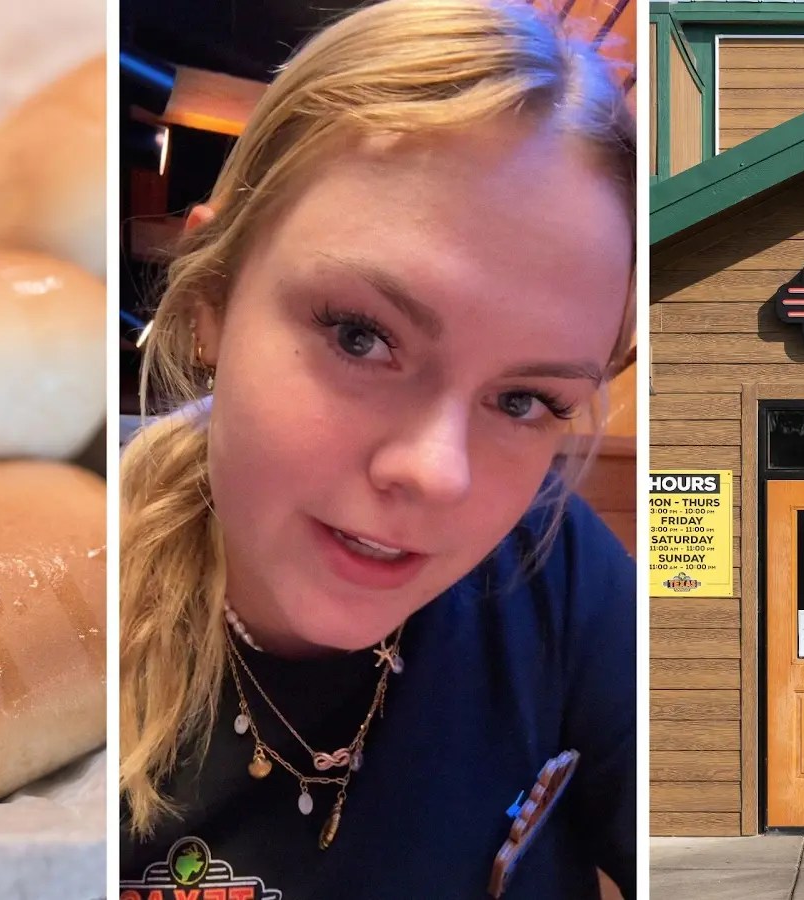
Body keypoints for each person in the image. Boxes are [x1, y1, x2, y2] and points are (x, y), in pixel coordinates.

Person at [118, 1, 636, 897]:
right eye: (361, 336)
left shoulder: (557, 564)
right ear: (212, 299)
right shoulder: (57, 591)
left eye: (524, 400)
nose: (438, 473)